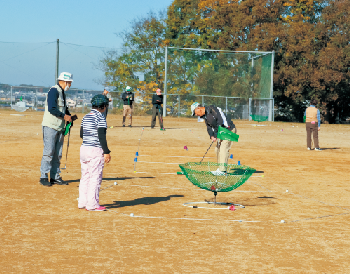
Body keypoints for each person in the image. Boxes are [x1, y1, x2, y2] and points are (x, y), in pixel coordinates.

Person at [39, 72, 76, 187]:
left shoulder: (62, 93)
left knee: (58, 153)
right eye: (69, 82)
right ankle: (43, 176)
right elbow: (52, 108)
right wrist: (64, 116)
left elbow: (64, 109)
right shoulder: (53, 91)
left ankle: (55, 176)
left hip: (60, 127)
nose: (70, 84)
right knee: (49, 152)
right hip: (50, 126)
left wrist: (69, 116)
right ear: (64, 81)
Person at [79, 95, 111, 211]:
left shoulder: (86, 117)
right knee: (95, 177)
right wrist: (106, 152)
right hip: (95, 150)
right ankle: (92, 204)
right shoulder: (101, 118)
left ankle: (82, 202)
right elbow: (102, 136)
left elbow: (82, 134)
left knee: (85, 176)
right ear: (103, 106)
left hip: (84, 149)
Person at [191, 102, 236, 175]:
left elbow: (220, 122)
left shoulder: (213, 110)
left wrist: (215, 134)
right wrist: (211, 135)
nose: (196, 115)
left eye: (195, 113)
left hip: (229, 130)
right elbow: (209, 127)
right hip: (221, 132)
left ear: (198, 108)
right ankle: (220, 169)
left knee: (223, 149)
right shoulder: (205, 116)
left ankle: (223, 171)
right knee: (217, 150)